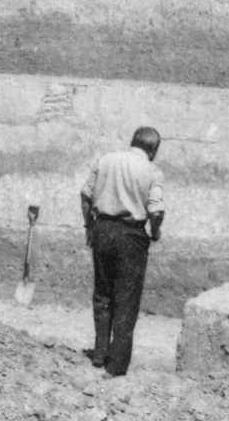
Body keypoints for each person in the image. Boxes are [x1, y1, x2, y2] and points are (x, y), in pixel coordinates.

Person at [80, 126, 166, 377]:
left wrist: (89, 226)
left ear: (132, 141)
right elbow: (156, 211)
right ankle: (116, 365)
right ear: (153, 149)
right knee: (126, 300)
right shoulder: (151, 171)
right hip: (132, 235)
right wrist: (156, 231)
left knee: (102, 294)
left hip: (103, 230)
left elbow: (85, 195)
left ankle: (99, 353)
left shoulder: (105, 160)